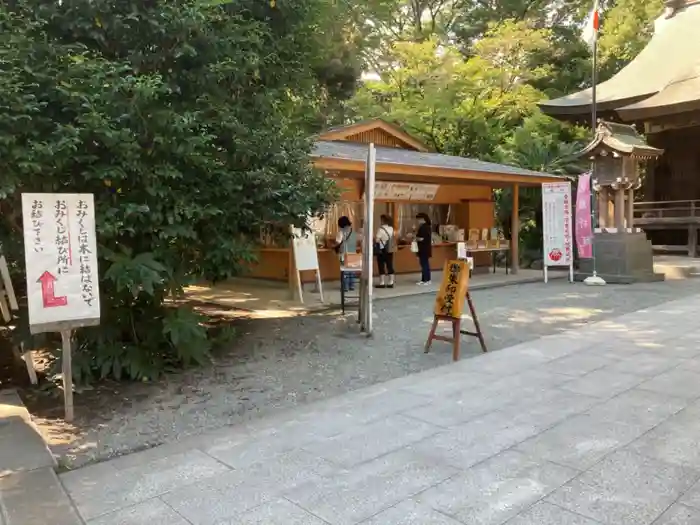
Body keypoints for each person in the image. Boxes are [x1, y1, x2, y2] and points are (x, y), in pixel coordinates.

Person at [335, 215, 357, 291]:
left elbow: (338, 242)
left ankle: (345, 287)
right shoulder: (353, 232)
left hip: (344, 254)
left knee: (345, 271)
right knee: (352, 270)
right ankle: (352, 286)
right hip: (353, 253)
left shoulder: (341, 232)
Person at [374, 214, 396, 288]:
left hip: (382, 249)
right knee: (390, 265)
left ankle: (382, 283)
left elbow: (377, 239)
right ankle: (391, 282)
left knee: (381, 265)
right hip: (390, 249)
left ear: (383, 220)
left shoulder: (380, 229)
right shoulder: (391, 228)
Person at [415, 212, 432, 285]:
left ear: (422, 219)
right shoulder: (427, 226)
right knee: (424, 264)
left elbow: (421, 239)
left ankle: (427, 280)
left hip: (423, 248)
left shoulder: (423, 227)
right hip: (426, 248)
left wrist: (414, 237)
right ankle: (424, 279)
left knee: (424, 264)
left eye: (418, 219)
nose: (418, 221)